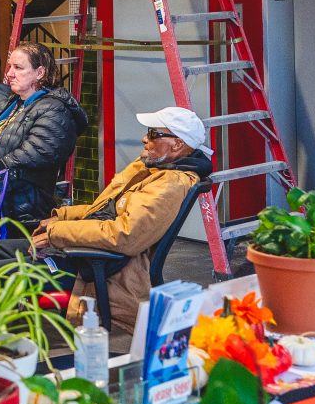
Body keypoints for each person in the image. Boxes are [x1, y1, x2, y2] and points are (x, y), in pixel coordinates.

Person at [29, 107, 212, 329]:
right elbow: (105, 210)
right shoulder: (152, 167)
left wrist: (56, 233)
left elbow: (124, 234)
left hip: (97, 268)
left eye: (154, 134)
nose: (145, 138)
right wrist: (62, 217)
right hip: (85, 253)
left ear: (177, 144)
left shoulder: (169, 183)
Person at [0, 43, 89, 225]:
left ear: (40, 72)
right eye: (10, 66)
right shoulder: (12, 103)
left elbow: (38, 150)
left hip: (22, 207)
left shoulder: (55, 109)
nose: (9, 74)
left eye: (18, 68)